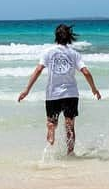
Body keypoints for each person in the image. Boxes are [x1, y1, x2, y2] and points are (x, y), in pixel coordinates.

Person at [18, 24, 101, 155]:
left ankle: (51, 131)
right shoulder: (74, 54)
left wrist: (26, 90)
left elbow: (38, 70)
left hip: (53, 95)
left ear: (56, 37)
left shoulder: (48, 52)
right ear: (69, 38)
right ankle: (70, 153)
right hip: (71, 94)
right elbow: (86, 72)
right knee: (70, 125)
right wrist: (94, 89)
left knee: (51, 122)